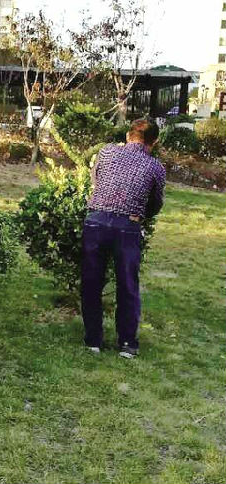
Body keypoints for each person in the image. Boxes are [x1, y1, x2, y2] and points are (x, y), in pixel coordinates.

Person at [81, 119, 165, 359]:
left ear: (128, 136)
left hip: (96, 220)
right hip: (127, 226)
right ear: (154, 141)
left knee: (91, 282)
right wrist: (139, 214)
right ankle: (127, 343)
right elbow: (156, 202)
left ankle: (93, 340)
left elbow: (96, 181)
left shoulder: (106, 152)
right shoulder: (155, 167)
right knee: (127, 285)